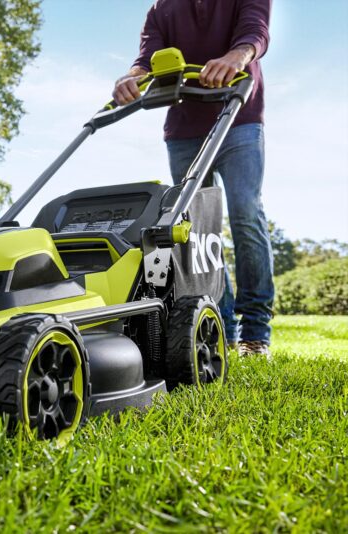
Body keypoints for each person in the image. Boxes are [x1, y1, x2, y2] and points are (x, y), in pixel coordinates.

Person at [113, 0, 273, 357]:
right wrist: (133, 76)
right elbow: (148, 58)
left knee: (246, 213)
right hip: (184, 128)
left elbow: (255, 33)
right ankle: (222, 326)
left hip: (239, 116)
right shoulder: (162, 9)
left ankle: (256, 333)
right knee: (200, 231)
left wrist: (236, 57)